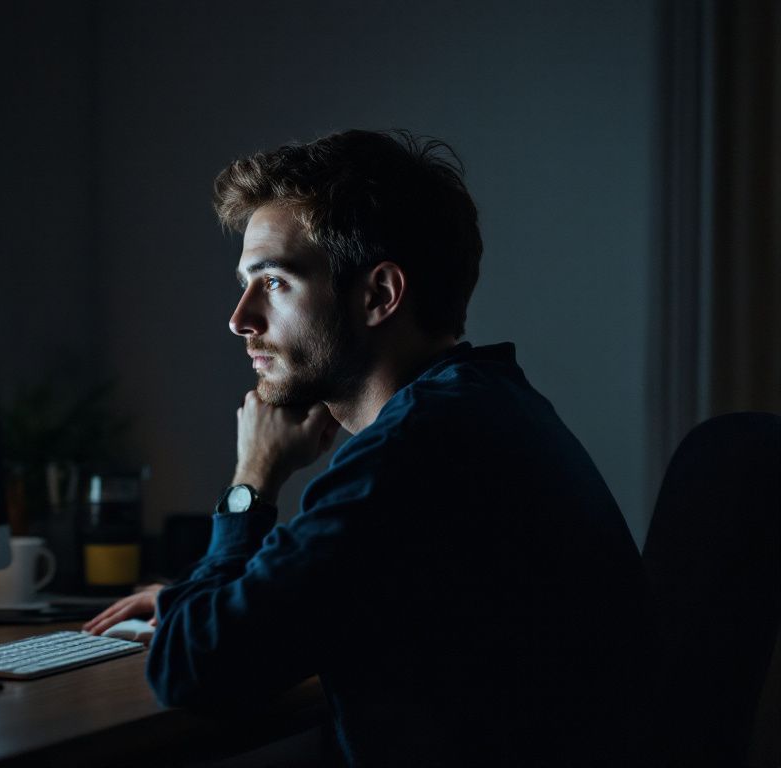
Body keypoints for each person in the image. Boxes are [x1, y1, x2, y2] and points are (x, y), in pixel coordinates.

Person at [85, 130, 651, 766]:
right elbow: (274, 609)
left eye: (273, 282)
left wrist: (252, 481)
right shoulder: (482, 406)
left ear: (379, 295)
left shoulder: (413, 454)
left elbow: (197, 668)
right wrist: (190, 602)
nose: (240, 318)